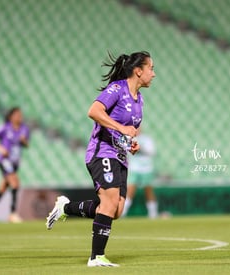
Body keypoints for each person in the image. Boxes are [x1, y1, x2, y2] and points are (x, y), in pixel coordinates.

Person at [46, 51, 155, 267]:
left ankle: (65, 208)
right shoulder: (117, 89)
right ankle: (96, 257)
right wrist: (121, 127)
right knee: (110, 202)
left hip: (120, 156)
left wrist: (129, 144)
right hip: (102, 152)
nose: (153, 74)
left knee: (115, 210)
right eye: (151, 68)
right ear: (138, 70)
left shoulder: (139, 100)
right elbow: (94, 111)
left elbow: (122, 133)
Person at [0, 107, 30, 224]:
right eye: (17, 115)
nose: (19, 117)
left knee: (3, 188)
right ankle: (12, 214)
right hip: (5, 160)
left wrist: (24, 141)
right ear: (11, 116)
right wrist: (1, 149)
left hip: (15, 162)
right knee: (15, 182)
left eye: (20, 115)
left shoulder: (24, 129)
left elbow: (27, 145)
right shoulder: (4, 128)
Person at [122, 130, 158, 219]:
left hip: (147, 168)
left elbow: (152, 152)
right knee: (130, 190)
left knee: (148, 190)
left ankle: (153, 213)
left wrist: (140, 148)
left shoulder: (147, 139)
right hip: (134, 168)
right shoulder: (128, 139)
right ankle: (123, 212)